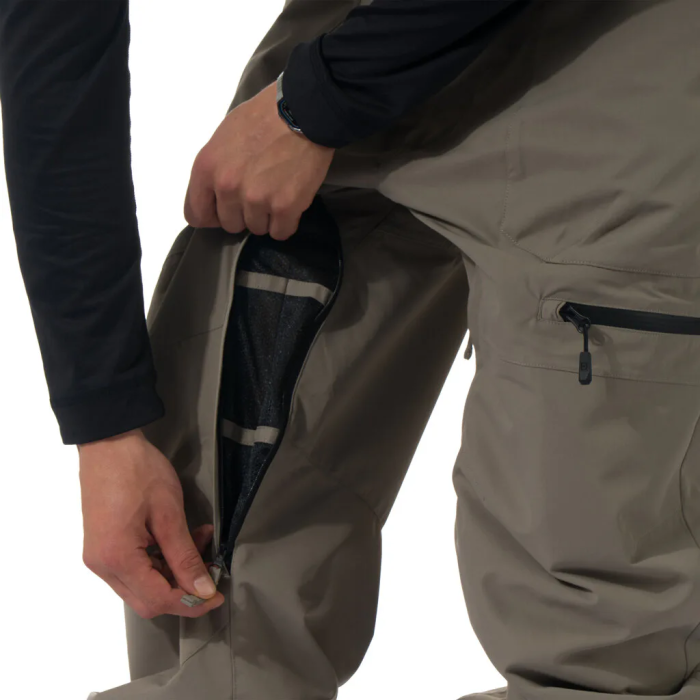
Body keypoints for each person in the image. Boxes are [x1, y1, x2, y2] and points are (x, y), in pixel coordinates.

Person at [3, 1, 700, 699]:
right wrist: (108, 429)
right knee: (217, 604)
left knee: (602, 633)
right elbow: (55, 58)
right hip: (354, 26)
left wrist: (314, 104)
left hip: (612, 44)